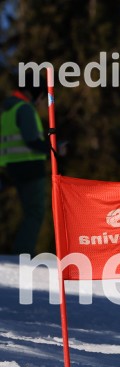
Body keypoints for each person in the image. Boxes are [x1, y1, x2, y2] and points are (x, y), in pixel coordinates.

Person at [0, 72, 50, 255]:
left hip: (10, 165)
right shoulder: (25, 109)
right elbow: (31, 140)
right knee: (35, 211)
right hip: (29, 166)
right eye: (41, 95)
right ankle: (23, 253)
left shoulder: (8, 109)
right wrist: (52, 148)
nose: (41, 100)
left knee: (27, 210)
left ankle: (20, 251)